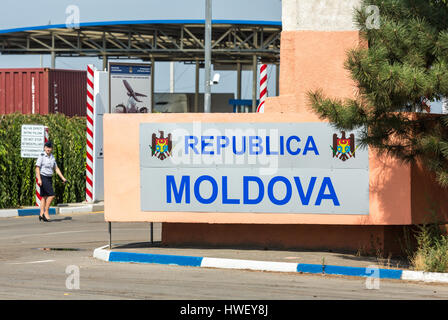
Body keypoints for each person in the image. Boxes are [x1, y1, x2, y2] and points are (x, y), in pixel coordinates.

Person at [35, 141, 67, 222]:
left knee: (44, 197)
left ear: (52, 149)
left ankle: (41, 214)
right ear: (44, 148)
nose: (48, 149)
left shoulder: (52, 157)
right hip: (43, 177)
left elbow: (56, 168)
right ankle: (46, 212)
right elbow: (37, 168)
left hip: (49, 178)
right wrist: (39, 179)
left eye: (50, 148)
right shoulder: (41, 156)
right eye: (47, 147)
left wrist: (63, 178)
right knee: (52, 195)